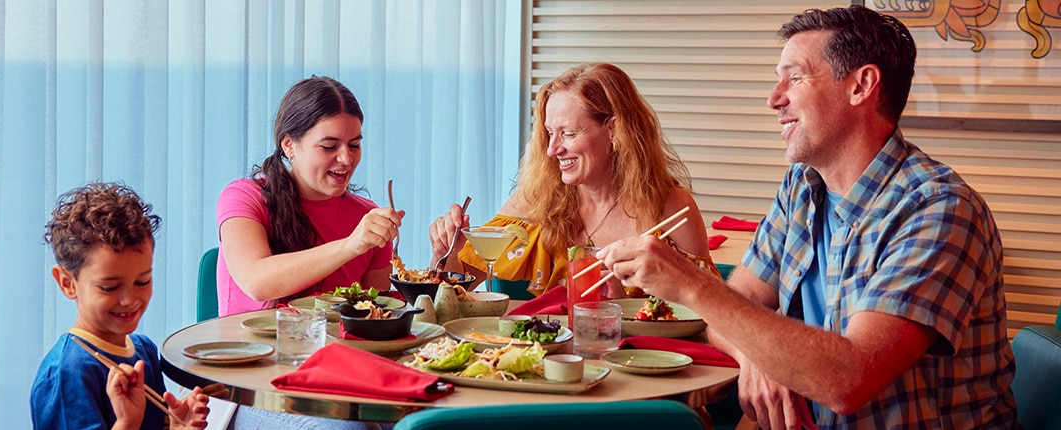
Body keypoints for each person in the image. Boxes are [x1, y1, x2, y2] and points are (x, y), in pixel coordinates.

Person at [598, 6, 1017, 428]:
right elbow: (735, 308)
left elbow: (847, 380)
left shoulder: (938, 209)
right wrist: (757, 356)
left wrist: (690, 283)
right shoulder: (803, 186)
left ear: (861, 86)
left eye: (794, 77)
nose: (774, 98)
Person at [431, 62, 716, 297]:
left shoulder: (672, 209)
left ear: (615, 131)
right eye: (549, 133)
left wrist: (620, 307)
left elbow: (713, 316)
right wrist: (447, 254)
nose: (552, 149)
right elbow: (452, 291)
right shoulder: (532, 204)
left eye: (567, 134)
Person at [31, 182, 210, 429]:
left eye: (142, 281)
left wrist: (175, 425)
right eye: (109, 287)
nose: (129, 300)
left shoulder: (143, 349)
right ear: (67, 283)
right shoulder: (66, 376)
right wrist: (127, 421)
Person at [217, 76, 401, 315]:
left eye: (354, 145)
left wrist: (440, 260)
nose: (346, 159)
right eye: (329, 147)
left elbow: (378, 314)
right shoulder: (244, 197)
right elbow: (256, 282)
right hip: (250, 351)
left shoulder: (367, 217)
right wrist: (350, 246)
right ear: (289, 145)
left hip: (336, 351)